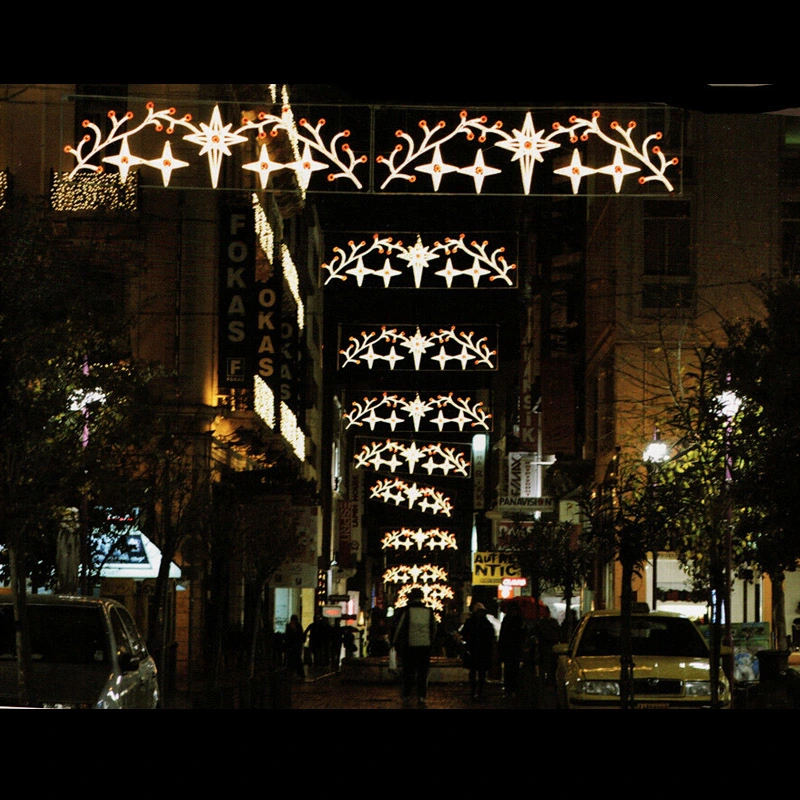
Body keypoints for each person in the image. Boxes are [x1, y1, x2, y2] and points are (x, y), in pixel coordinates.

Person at [392, 588, 437, 707]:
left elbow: (398, 628)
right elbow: (434, 629)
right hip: (425, 646)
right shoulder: (429, 611)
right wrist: (430, 642)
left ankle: (406, 695)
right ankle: (422, 696)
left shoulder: (406, 611)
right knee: (423, 673)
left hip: (409, 646)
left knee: (408, 672)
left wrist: (393, 643)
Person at [460, 602, 496, 701]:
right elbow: (491, 636)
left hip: (472, 649)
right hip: (483, 650)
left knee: (473, 671)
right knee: (481, 672)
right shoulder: (487, 623)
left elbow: (464, 633)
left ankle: (473, 690)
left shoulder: (470, 622)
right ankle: (480, 691)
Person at [498, 600, 524, 697]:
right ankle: (510, 688)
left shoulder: (515, 620)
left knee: (513, 669)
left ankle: (512, 688)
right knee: (510, 669)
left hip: (513, 648)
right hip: (510, 648)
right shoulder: (513, 619)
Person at [284, 615, 306, 680]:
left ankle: (297, 674)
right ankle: (295, 674)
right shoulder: (295, 626)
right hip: (294, 646)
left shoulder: (295, 626)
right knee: (295, 661)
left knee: (296, 660)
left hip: (295, 646)